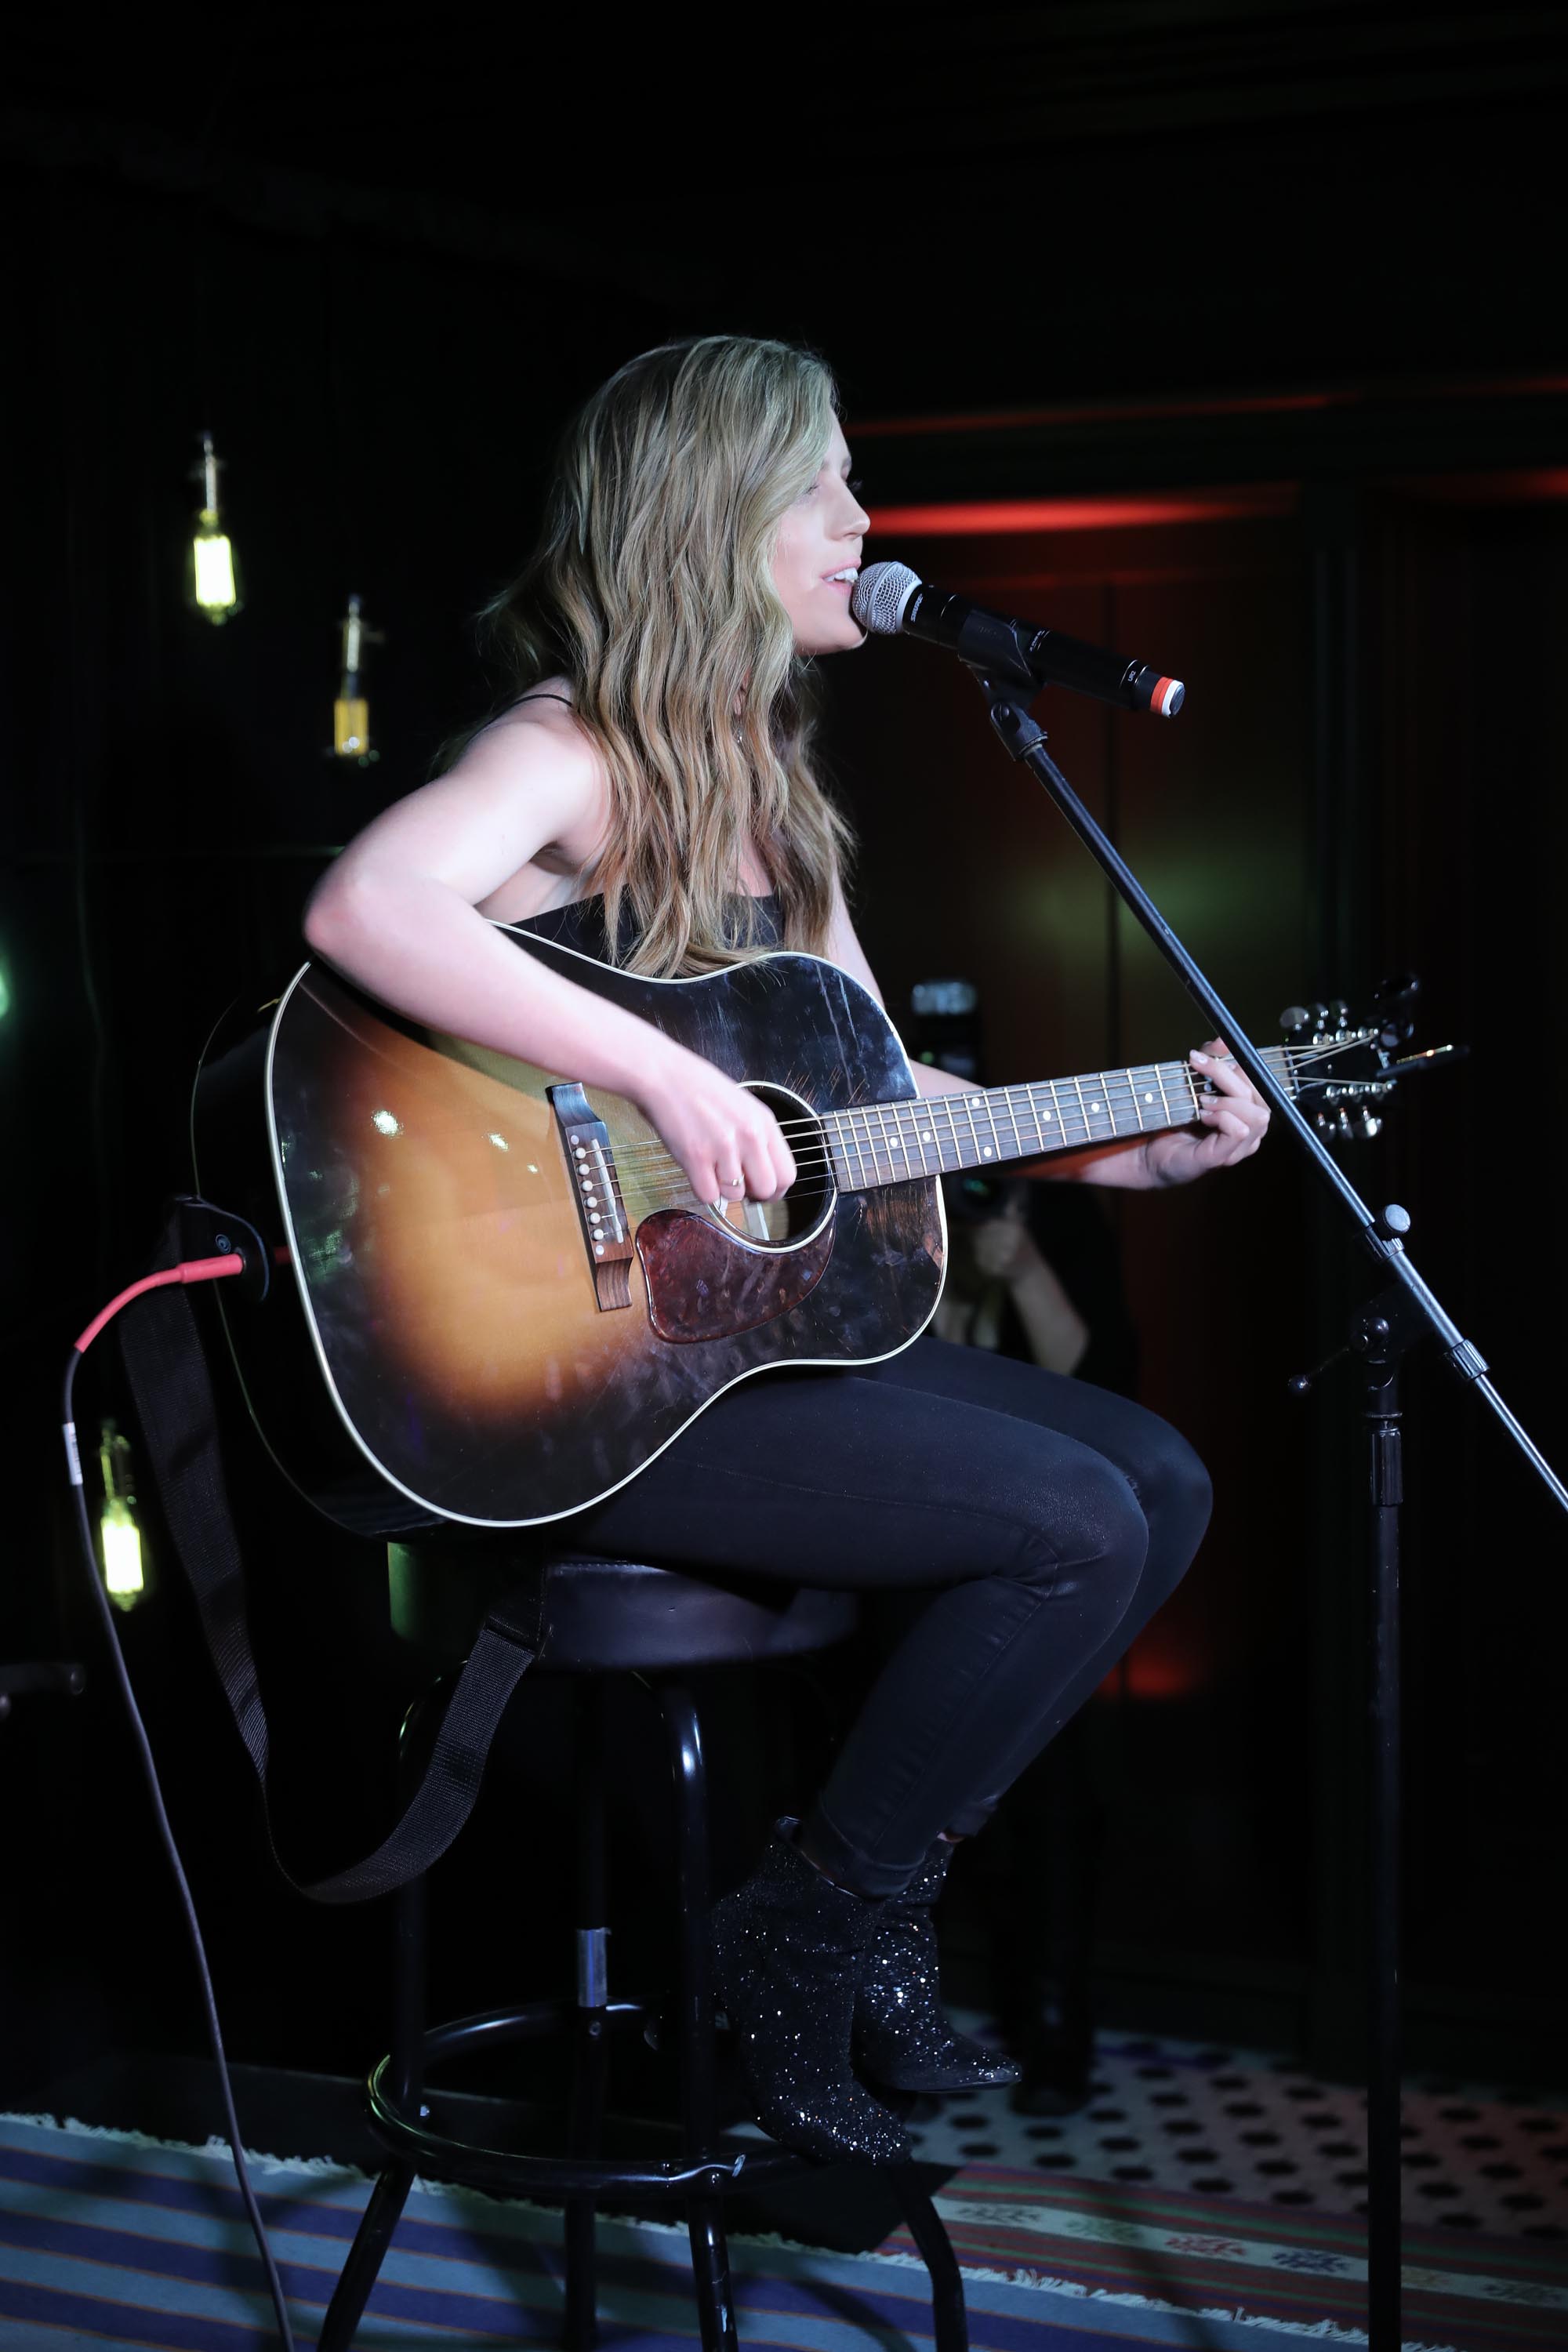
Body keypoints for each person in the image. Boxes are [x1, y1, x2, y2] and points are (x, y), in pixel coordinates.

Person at [302, 335, 1269, 2168]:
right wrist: (650, 1066)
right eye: (823, 483)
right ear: (715, 516)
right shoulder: (564, 748)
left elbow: (876, 1092)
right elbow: (365, 905)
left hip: (736, 1341)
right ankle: (817, 1928)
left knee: (1154, 1472)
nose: (862, 520)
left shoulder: (770, 788)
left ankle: (842, 1897)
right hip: (574, 1378)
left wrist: (1123, 1150)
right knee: (1067, 1522)